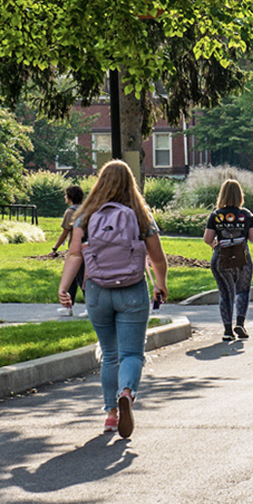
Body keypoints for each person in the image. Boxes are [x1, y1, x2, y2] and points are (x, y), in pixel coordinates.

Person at [58, 160, 168, 438]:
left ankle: (110, 414)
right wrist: (161, 283)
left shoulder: (86, 214)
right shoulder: (141, 214)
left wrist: (64, 287)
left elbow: (74, 254)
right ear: (130, 183)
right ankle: (127, 392)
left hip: (97, 290)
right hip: (132, 289)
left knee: (110, 354)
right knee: (131, 353)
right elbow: (156, 257)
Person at [204, 179, 253, 342]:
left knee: (226, 293)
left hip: (221, 259)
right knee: (242, 291)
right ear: (240, 195)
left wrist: (216, 240)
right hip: (242, 258)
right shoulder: (247, 215)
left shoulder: (215, 215)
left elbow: (208, 238)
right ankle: (240, 323)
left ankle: (228, 330)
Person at [50, 184, 85, 309]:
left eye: (66, 195)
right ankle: (68, 306)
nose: (65, 197)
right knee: (76, 279)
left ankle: (88, 307)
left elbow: (64, 233)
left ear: (70, 197)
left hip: (75, 251)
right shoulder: (86, 210)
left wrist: (55, 248)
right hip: (87, 248)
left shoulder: (70, 212)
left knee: (78, 280)